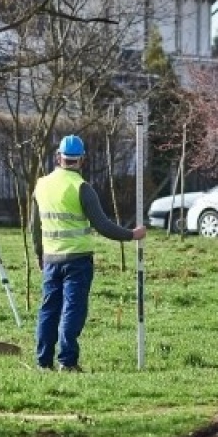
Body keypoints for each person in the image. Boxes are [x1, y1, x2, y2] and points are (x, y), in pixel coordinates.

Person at [31, 135, 146, 372]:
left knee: (49, 309)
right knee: (73, 309)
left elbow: (34, 226)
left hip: (51, 258)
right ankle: (67, 361)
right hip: (77, 260)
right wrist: (132, 235)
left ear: (58, 157)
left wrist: (38, 254)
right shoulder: (82, 187)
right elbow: (103, 225)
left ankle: (43, 361)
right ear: (82, 159)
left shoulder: (41, 184)